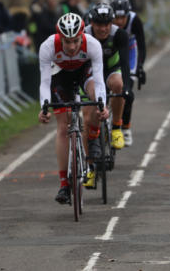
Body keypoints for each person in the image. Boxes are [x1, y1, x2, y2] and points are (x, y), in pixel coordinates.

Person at [38, 13, 108, 204]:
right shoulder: (47, 46)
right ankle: (64, 184)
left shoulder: (93, 45)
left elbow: (100, 81)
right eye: (66, 41)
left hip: (84, 71)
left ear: (82, 36)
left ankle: (93, 136)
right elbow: (44, 83)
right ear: (59, 37)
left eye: (75, 41)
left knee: (94, 96)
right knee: (63, 125)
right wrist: (44, 107)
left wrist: (102, 104)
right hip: (59, 75)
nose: (71, 46)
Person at [85, 3, 131, 152]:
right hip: (91, 71)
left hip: (112, 68)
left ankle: (117, 126)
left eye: (107, 24)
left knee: (118, 85)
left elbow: (124, 63)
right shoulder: (84, 35)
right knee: (92, 104)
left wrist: (127, 88)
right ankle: (94, 139)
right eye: (99, 24)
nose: (103, 29)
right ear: (91, 23)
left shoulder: (120, 34)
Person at [111, 0, 146, 146]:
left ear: (128, 15)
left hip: (130, 52)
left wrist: (139, 66)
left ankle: (125, 126)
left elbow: (142, 45)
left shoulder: (135, 20)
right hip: (112, 53)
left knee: (126, 92)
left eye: (122, 18)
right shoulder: (105, 23)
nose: (119, 22)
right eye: (116, 18)